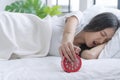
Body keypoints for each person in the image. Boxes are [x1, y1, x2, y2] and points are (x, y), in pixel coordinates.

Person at [49, 11, 120, 62]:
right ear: (96, 24)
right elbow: (68, 33)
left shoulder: (78, 49)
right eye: (102, 34)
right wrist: (67, 42)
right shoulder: (79, 18)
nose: (101, 41)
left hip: (37, 51)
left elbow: (90, 55)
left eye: (105, 40)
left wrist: (106, 43)